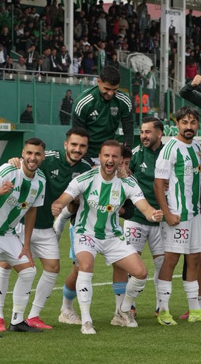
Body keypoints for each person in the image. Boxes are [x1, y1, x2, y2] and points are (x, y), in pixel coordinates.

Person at [51, 140, 163, 334]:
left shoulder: (127, 183)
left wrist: (153, 214)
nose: (110, 159)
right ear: (100, 158)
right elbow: (65, 197)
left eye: (114, 156)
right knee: (84, 267)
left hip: (113, 235)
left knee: (140, 273)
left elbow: (144, 207)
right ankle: (86, 320)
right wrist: (59, 204)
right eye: (106, 156)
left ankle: (123, 311)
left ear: (120, 160)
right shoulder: (85, 178)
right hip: (85, 233)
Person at [0, 128, 92, 331]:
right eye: (73, 144)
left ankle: (33, 316)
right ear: (66, 144)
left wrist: (72, 203)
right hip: (20, 222)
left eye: (82, 146)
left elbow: (76, 203)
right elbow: (28, 162)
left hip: (46, 226)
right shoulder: (49, 158)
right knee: (5, 266)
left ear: (86, 148)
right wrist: (15, 161)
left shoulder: (86, 169)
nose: (77, 149)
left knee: (53, 267)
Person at [0, 139, 47, 338]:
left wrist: (26, 244)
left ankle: (17, 321)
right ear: (23, 153)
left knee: (29, 271)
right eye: (29, 153)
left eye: (37, 154)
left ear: (43, 156)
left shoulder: (40, 180)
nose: (33, 158)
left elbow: (32, 211)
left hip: (7, 233)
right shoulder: (7, 171)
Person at [154, 107, 201, 325]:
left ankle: (194, 311)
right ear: (177, 124)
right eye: (184, 122)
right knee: (171, 260)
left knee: (195, 259)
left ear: (198, 124)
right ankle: (163, 310)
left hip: (194, 215)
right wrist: (168, 213)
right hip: (177, 216)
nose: (189, 126)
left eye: (192, 122)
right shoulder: (170, 148)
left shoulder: (197, 147)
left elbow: (197, 182)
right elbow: (158, 183)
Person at [123, 117, 165, 316]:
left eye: (148, 132)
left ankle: (161, 306)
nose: (144, 136)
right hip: (137, 219)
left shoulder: (169, 154)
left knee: (162, 265)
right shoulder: (136, 155)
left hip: (162, 220)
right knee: (132, 263)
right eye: (142, 132)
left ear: (159, 133)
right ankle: (129, 306)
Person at [72, 65, 134, 161]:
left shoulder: (124, 101)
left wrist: (125, 157)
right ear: (98, 82)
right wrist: (88, 162)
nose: (110, 93)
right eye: (107, 89)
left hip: (109, 155)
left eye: (114, 89)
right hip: (87, 155)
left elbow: (129, 129)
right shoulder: (83, 102)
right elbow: (78, 135)